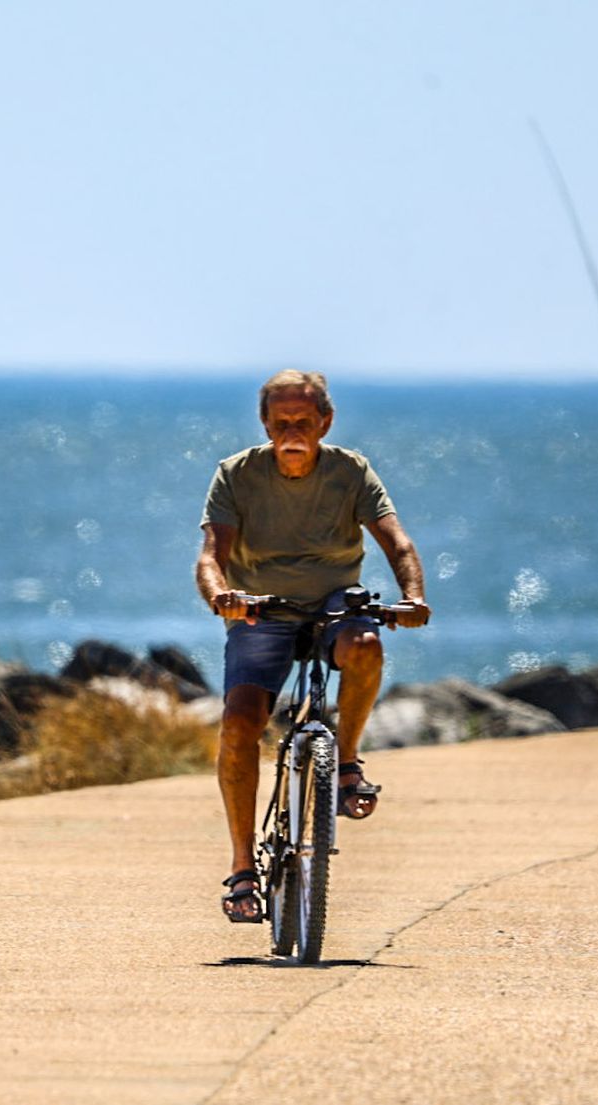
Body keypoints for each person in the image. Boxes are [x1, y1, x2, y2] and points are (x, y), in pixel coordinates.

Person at [195, 370, 431, 923]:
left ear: (325, 422)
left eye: (304, 422)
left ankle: (346, 762)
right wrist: (222, 596)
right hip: (262, 610)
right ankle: (241, 867)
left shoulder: (351, 471)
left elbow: (396, 541)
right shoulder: (236, 474)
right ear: (265, 425)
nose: (292, 433)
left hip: (333, 606)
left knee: (367, 644)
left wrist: (413, 596)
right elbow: (211, 555)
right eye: (281, 424)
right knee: (240, 722)